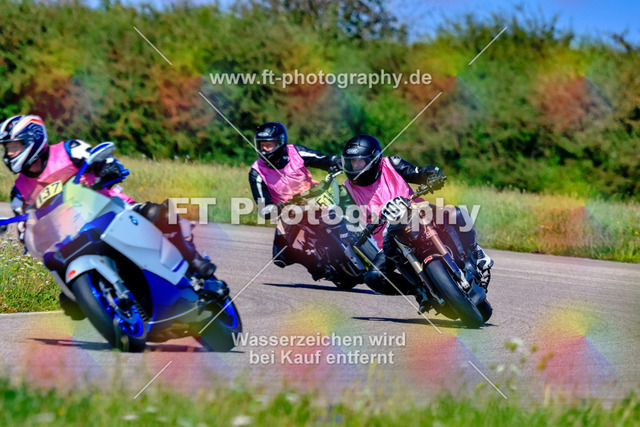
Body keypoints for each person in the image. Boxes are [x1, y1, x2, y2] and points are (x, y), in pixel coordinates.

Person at [0, 115, 226, 318]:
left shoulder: (69, 150)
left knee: (156, 213)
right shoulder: (19, 192)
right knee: (69, 303)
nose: (9, 153)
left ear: (34, 139)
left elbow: (102, 160)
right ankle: (108, 303)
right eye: (7, 148)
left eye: (14, 146)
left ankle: (193, 260)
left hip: (110, 210)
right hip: (70, 237)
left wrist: (109, 168)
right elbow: (25, 228)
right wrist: (24, 234)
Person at [341, 134, 493, 308]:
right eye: (351, 162)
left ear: (374, 160)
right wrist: (350, 231)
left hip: (419, 215)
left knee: (456, 213)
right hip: (391, 238)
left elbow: (417, 172)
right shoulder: (347, 189)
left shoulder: (392, 164)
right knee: (373, 277)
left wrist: (432, 174)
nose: (354, 166)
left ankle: (474, 253)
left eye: (359, 162)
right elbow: (346, 216)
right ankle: (419, 290)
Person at [248, 122, 342, 277]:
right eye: (262, 145)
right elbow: (263, 207)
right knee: (280, 256)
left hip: (315, 198)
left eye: (269, 145)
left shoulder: (296, 152)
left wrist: (335, 162)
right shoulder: (256, 172)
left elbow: (323, 159)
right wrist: (274, 209)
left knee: (345, 208)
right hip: (289, 212)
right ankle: (315, 264)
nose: (264, 149)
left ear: (280, 142)